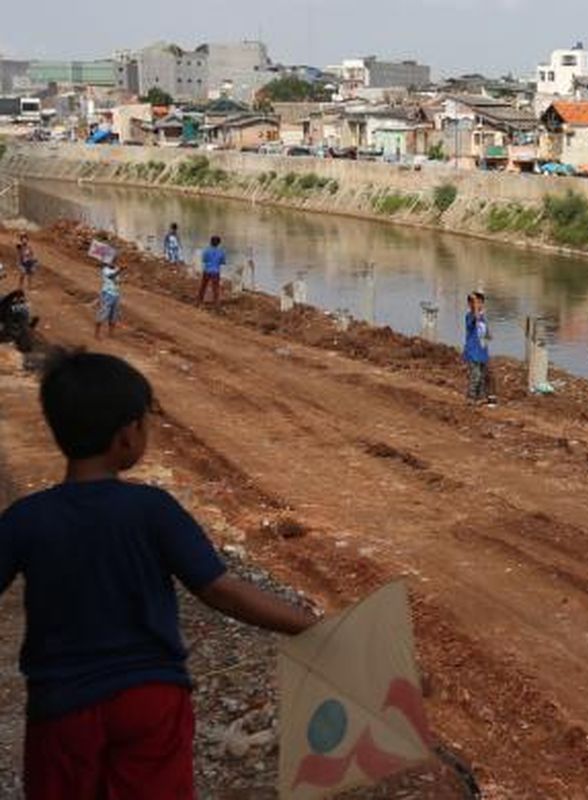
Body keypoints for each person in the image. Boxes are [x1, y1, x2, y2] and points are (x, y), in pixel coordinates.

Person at [0, 352, 318, 799]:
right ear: (128, 435)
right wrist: (316, 628)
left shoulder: (25, 520)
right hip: (149, 701)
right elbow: (222, 590)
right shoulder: (152, 510)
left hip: (61, 706)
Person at [464, 291, 495, 407]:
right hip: (473, 351)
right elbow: (475, 318)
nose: (477, 305)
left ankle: (480, 397)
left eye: (480, 302)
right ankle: (471, 397)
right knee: (475, 375)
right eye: (475, 303)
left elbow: (486, 334)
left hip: (482, 351)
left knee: (482, 376)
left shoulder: (482, 318)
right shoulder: (470, 316)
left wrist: (489, 335)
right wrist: (475, 305)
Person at [95, 253, 122, 340]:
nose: (113, 263)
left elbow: (117, 280)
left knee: (113, 315)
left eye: (114, 261)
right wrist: (120, 270)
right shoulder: (105, 270)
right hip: (107, 294)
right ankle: (97, 333)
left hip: (115, 294)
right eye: (112, 261)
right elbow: (111, 276)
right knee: (103, 313)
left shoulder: (116, 269)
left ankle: (111, 333)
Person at [197, 235, 225, 307]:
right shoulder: (221, 252)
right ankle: (216, 303)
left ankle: (199, 300)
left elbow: (204, 260)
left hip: (207, 270)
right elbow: (223, 262)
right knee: (215, 288)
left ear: (210, 242)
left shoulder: (206, 250)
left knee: (203, 286)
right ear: (219, 243)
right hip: (216, 272)